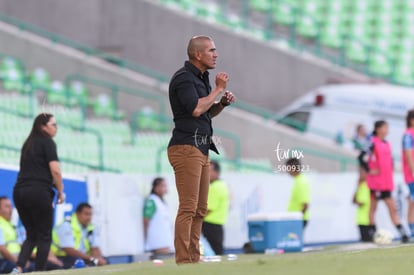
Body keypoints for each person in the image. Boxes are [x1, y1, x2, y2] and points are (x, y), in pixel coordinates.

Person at [167, 35, 236, 264]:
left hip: (201, 148)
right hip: (186, 147)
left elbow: (205, 111)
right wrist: (218, 89)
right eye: (211, 50)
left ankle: (194, 258)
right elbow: (196, 109)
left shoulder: (201, 78)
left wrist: (221, 104)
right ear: (198, 54)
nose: (216, 54)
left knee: (200, 209)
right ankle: (183, 260)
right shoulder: (184, 78)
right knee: (188, 207)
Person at [11, 113, 65, 274]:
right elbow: (55, 170)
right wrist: (61, 191)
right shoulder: (48, 142)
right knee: (44, 235)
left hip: (20, 191)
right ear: (43, 126)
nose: (56, 128)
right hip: (39, 191)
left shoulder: (28, 144)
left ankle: (19, 267)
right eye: (53, 124)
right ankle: (40, 271)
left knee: (32, 235)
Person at [364, 120, 409, 243]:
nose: (387, 130)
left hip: (387, 182)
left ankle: (402, 233)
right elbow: (362, 157)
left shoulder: (387, 143)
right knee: (373, 208)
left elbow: (390, 160)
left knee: (392, 208)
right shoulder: (371, 142)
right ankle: (372, 232)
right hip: (376, 183)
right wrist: (370, 170)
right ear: (378, 129)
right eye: (385, 127)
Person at [0, 196, 64, 273]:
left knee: (47, 266)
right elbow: (2, 248)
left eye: (11, 206)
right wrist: (19, 262)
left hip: (17, 258)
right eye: (7, 206)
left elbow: (23, 245)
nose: (11, 209)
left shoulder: (10, 225)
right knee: (27, 269)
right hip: (5, 260)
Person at [51, 202, 107, 269]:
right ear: (78, 214)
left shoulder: (91, 226)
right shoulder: (66, 225)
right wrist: (93, 259)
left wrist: (99, 259)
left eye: (90, 214)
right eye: (86, 214)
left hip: (84, 257)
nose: (89, 217)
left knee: (105, 260)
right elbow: (69, 251)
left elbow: (95, 247)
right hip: (63, 256)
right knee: (78, 262)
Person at [202, 160, 229, 255]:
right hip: (217, 226)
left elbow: (208, 209)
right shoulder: (222, 185)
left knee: (212, 254)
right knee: (217, 252)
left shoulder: (215, 187)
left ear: (216, 173)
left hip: (210, 225)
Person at [143, 177, 174, 257]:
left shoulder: (161, 201)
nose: (165, 188)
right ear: (156, 187)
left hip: (165, 240)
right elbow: (146, 220)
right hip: (158, 241)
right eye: (163, 186)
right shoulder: (152, 201)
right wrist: (146, 238)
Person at [286, 158, 310, 228]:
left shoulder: (301, 182)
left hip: (298, 219)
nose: (288, 171)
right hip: (297, 218)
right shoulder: (299, 180)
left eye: (288, 168)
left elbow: (305, 205)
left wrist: (297, 217)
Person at [352, 166, 372, 242]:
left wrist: (358, 202)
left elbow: (362, 203)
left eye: (361, 172)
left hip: (367, 220)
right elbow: (353, 200)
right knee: (364, 241)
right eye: (359, 172)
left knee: (369, 242)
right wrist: (357, 188)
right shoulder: (360, 186)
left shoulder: (368, 185)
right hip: (360, 219)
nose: (359, 174)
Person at [402, 109, 414, 237]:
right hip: (412, 176)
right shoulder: (408, 135)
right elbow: (409, 154)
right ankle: (411, 232)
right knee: (412, 203)